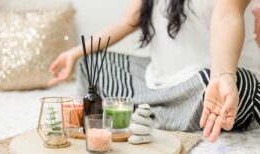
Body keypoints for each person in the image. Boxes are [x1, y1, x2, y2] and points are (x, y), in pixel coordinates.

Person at [48, 0, 260, 142]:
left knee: (233, 87)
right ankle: (161, 112)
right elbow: (129, 21)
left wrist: (222, 75)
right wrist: (74, 53)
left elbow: (226, 16)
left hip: (212, 81)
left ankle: (143, 113)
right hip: (159, 83)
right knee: (92, 63)